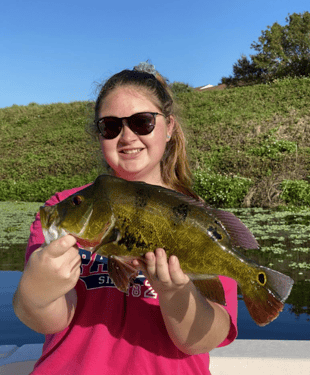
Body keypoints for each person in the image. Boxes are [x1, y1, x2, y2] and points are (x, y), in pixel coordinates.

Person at [13, 62, 238, 374]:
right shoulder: (65, 208)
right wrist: (36, 291)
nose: (127, 136)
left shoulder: (198, 221)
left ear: (169, 126)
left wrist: (175, 292)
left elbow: (201, 340)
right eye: (111, 127)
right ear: (99, 134)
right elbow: (49, 320)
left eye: (142, 122)